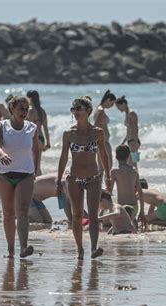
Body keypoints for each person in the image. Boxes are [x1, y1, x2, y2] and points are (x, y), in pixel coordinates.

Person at [56, 96, 110, 259]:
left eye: (78, 108)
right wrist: (59, 180)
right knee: (77, 214)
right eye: (73, 109)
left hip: (93, 177)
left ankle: (93, 249)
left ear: (88, 111)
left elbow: (103, 155)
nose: (75, 112)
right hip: (74, 179)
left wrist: (108, 175)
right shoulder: (69, 133)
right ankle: (80, 250)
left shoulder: (97, 133)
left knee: (93, 215)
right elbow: (63, 157)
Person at [0, 96, 38, 258]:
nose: (24, 112)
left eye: (26, 109)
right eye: (21, 108)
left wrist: (36, 169)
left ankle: (24, 248)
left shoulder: (32, 127)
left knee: (23, 211)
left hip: (25, 174)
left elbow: (36, 150)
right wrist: (1, 153)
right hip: (4, 175)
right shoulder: (3, 125)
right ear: (12, 108)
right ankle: (10, 250)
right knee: (8, 213)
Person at [109, 145, 146, 229]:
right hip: (134, 207)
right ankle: (132, 220)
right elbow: (140, 192)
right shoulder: (134, 171)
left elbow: (109, 191)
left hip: (121, 208)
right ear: (128, 156)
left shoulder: (114, 171)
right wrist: (142, 211)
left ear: (116, 157)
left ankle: (130, 222)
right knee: (129, 220)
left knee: (109, 222)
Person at [26, 90, 51, 176]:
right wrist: (48, 142)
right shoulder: (42, 111)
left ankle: (35, 185)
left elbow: (27, 128)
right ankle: (39, 184)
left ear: (30, 99)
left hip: (33, 138)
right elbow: (46, 128)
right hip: (41, 138)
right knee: (37, 164)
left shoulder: (30, 111)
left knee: (33, 165)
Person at [94, 89, 116, 176]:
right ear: (108, 100)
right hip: (103, 142)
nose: (112, 106)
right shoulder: (100, 111)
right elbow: (95, 126)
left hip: (101, 142)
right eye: (112, 103)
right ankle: (107, 187)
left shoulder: (98, 108)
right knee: (108, 166)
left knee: (101, 168)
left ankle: (99, 188)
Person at [116, 96, 140, 168]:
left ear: (123, 104)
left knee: (133, 163)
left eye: (118, 107)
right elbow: (129, 130)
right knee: (130, 163)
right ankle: (134, 178)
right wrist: (123, 142)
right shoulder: (127, 114)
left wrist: (135, 141)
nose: (118, 109)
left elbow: (136, 128)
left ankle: (136, 178)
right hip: (130, 141)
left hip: (134, 142)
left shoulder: (131, 113)